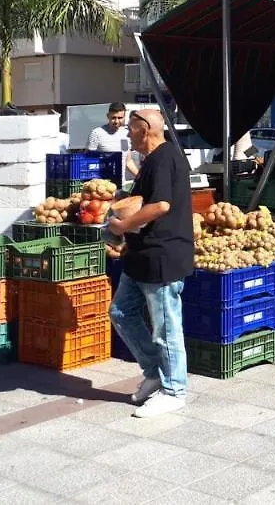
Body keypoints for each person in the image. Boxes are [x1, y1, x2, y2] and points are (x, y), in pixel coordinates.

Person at [108, 109, 193, 418]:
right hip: (140, 256)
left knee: (166, 327)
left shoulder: (164, 158)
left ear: (146, 130)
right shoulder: (151, 162)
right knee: (120, 312)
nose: (127, 134)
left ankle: (174, 390)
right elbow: (147, 198)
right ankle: (154, 372)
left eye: (131, 129)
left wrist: (123, 225)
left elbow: (161, 205)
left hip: (162, 256)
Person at [88, 102, 141, 181]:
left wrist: (140, 177)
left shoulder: (126, 134)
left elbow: (128, 161)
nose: (116, 121)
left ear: (124, 117)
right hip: (102, 185)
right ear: (108, 116)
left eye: (120, 118)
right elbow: (88, 160)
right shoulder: (97, 133)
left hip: (120, 184)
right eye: (113, 117)